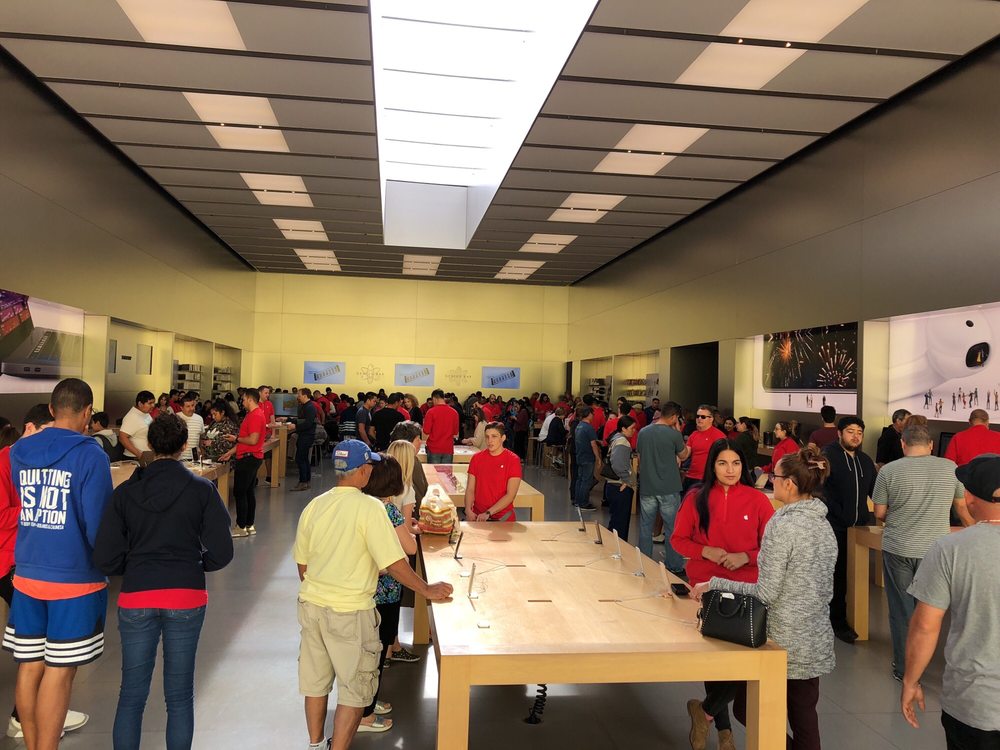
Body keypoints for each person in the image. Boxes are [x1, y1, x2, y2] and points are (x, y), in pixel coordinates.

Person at [293, 439, 453, 750]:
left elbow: (303, 566)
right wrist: (426, 589)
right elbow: (395, 563)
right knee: (355, 692)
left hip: (311, 606)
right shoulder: (371, 508)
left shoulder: (315, 505)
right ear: (363, 470)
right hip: (351, 612)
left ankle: (315, 744)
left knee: (315, 684)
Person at [93, 414, 233, 750]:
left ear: (150, 445)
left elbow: (105, 557)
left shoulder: (125, 493)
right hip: (186, 595)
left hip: (137, 596)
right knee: (180, 695)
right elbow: (222, 551)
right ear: (184, 445)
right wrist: (195, 565)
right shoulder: (202, 490)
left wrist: (135, 566)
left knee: (131, 695)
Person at [691, 445, 837, 750]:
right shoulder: (824, 525)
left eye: (775, 477)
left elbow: (766, 592)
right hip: (814, 635)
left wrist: (714, 584)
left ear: (790, 484)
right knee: (805, 718)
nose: (772, 481)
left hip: (783, 638)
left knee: (747, 709)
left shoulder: (781, 525)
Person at [3, 379, 113, 750]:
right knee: (60, 671)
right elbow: (96, 522)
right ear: (88, 412)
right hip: (75, 578)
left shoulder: (20, 450)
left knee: (30, 664)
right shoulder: (91, 455)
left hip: (27, 573)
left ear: (51, 410)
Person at [672, 439, 774, 750]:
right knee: (716, 662)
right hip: (707, 588)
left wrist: (746, 556)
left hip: (747, 589)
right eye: (722, 463)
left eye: (736, 463)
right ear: (712, 466)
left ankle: (704, 712)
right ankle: (725, 735)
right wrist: (705, 551)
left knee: (742, 664)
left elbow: (771, 548)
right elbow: (678, 540)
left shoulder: (758, 500)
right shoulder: (696, 498)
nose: (730, 470)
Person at [901, 454, 1000, 748]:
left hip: (976, 703)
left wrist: (911, 680)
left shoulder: (951, 549)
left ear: (969, 498)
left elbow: (925, 626)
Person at [872, 422, 969, 681]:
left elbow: (879, 512)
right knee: (931, 610)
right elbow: (961, 509)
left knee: (901, 611)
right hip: (936, 551)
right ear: (931, 445)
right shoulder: (951, 469)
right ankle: (930, 663)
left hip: (898, 548)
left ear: (903, 444)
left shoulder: (889, 470)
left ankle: (905, 670)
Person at [355, 454, 414, 733]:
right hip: (386, 591)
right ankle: (365, 714)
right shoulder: (388, 511)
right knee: (376, 651)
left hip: (363, 591)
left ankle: (367, 701)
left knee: (367, 650)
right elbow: (409, 548)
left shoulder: (361, 505)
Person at [821, 416, 876, 643]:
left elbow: (875, 491)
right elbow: (819, 490)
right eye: (850, 431)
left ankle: (847, 618)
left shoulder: (865, 460)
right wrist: (838, 513)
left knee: (855, 576)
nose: (855, 436)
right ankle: (837, 621)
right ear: (840, 433)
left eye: (859, 432)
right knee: (837, 575)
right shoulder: (828, 457)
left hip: (860, 529)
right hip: (834, 527)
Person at [636, 401, 690, 572]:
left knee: (645, 526)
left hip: (647, 486)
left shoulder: (643, 432)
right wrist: (680, 434)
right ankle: (674, 565)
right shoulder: (674, 435)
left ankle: (644, 563)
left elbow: (640, 456)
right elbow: (684, 455)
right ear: (674, 417)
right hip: (669, 487)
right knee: (671, 527)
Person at [224, 388, 266, 538]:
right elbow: (245, 440)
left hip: (248, 458)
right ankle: (249, 524)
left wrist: (236, 438)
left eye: (243, 399)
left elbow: (252, 440)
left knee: (240, 492)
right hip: (250, 456)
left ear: (249, 399)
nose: (242, 402)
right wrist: (231, 452)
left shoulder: (255, 416)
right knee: (248, 492)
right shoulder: (254, 414)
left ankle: (241, 526)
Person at [465, 422, 522, 522]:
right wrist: (468, 510)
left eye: (494, 436)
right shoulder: (476, 458)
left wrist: (488, 513)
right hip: (478, 519)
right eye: (487, 437)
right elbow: (470, 489)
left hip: (503, 520)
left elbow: (510, 495)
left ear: (503, 438)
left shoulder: (513, 460)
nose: (489, 440)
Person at [603, 416, 637, 540]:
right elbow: (618, 464)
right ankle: (617, 547)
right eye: (632, 428)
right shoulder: (622, 442)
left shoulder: (615, 439)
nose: (634, 431)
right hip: (620, 485)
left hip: (614, 485)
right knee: (620, 525)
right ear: (623, 428)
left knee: (616, 522)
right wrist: (627, 480)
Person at [684, 405, 727, 492]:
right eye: (698, 416)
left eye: (703, 417)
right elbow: (684, 455)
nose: (699, 419)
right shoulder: (694, 435)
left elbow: (725, 459)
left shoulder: (719, 436)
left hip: (708, 478)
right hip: (691, 476)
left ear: (711, 419)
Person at [389, 421, 429, 506]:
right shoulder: (413, 462)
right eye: (418, 439)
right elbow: (422, 491)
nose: (420, 442)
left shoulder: (383, 461)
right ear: (407, 443)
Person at [289, 388, 319, 492]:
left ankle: (303, 482)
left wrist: (295, 427)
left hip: (306, 436)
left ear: (305, 396)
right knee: (304, 459)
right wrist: (288, 419)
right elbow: (302, 420)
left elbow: (308, 423)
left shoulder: (310, 407)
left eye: (299, 395)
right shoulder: (306, 406)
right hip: (304, 435)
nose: (298, 397)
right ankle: (306, 481)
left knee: (300, 459)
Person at [573, 406, 602, 512]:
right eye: (592, 414)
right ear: (589, 414)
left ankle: (577, 501)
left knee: (580, 479)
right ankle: (584, 503)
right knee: (586, 480)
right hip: (588, 457)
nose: (593, 416)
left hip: (580, 455)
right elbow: (593, 444)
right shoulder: (589, 428)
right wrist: (598, 457)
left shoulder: (579, 426)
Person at [422, 389, 459, 464]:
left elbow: (426, 431)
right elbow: (455, 432)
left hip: (433, 448)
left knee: (433, 471)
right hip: (448, 448)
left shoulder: (431, 412)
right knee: (446, 471)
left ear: (434, 399)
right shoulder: (454, 412)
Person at [119, 390, 156, 460]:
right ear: (140, 404)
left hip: (147, 455)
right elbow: (122, 438)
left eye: (154, 403)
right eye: (150, 403)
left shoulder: (145, 413)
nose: (153, 406)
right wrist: (139, 455)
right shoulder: (131, 417)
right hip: (135, 458)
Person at [175, 392, 204, 461]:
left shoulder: (199, 418)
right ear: (181, 408)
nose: (191, 408)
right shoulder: (176, 417)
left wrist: (202, 453)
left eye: (192, 405)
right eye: (188, 406)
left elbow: (200, 438)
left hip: (194, 458)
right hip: (179, 458)